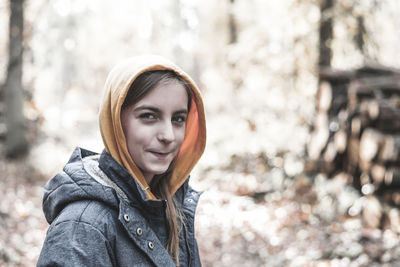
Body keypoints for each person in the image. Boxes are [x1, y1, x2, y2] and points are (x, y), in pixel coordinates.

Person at [37, 55, 207, 266]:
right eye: (149, 116)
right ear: (116, 121)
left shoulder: (171, 209)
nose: (169, 135)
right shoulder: (83, 226)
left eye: (178, 119)